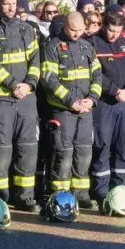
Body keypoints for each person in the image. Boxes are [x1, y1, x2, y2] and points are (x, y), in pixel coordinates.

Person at [0, 0, 42, 211]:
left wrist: (29, 84)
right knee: (1, 147)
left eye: (14, 4)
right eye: (6, 3)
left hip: (26, 98)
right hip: (1, 99)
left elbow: (36, 60)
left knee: (27, 147)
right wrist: (12, 84)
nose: (10, 8)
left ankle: (25, 197)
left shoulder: (28, 29)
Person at [39, 11, 102, 208]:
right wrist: (70, 100)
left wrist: (92, 99)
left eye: (79, 30)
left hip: (85, 110)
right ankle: (59, 194)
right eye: (72, 30)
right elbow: (49, 79)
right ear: (65, 26)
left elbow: (98, 76)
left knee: (84, 152)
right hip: (63, 110)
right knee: (63, 152)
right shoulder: (52, 47)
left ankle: (81, 193)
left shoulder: (87, 47)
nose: (75, 34)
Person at [89, 10, 125, 202]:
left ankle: (122, 184)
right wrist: (113, 90)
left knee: (124, 145)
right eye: (111, 30)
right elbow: (94, 74)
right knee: (102, 146)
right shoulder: (93, 42)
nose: (114, 35)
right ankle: (101, 188)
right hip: (105, 103)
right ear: (103, 26)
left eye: (117, 31)